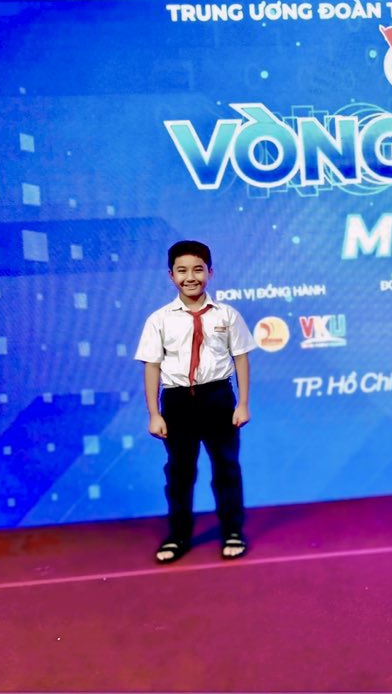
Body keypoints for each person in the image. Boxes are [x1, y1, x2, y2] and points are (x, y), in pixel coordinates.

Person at [134, 240, 255, 564]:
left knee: (226, 467)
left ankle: (232, 530)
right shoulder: (159, 319)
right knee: (179, 472)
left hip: (218, 398)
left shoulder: (227, 315)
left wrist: (243, 403)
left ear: (210, 273)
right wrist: (154, 413)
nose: (191, 277)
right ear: (171, 275)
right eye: (182, 271)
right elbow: (152, 366)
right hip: (177, 401)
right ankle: (178, 534)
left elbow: (241, 358)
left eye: (198, 270)